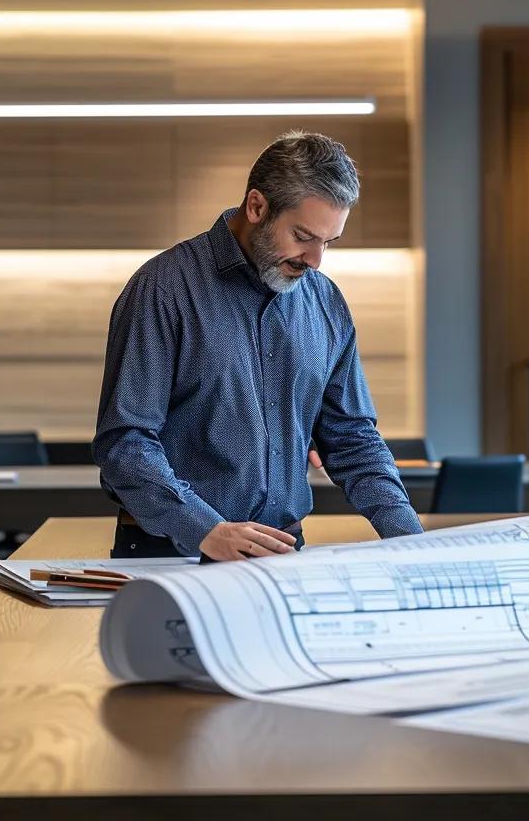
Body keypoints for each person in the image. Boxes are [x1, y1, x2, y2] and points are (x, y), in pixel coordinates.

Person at [93, 130, 423, 562]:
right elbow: (125, 442)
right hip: (173, 553)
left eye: (328, 242)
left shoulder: (325, 302)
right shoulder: (163, 288)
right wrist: (204, 529)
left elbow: (353, 439)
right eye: (303, 236)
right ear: (256, 207)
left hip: (282, 554)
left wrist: (412, 542)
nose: (315, 260)